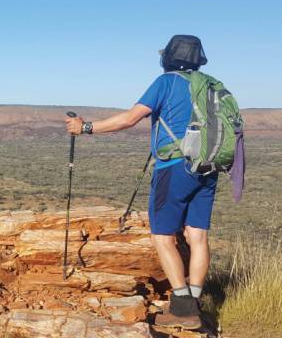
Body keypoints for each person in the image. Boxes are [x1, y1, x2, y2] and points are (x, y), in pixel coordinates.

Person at [65, 35, 215, 330]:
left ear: (168, 57)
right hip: (208, 167)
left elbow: (130, 119)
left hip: (174, 167)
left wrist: (85, 128)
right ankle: (195, 303)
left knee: (163, 237)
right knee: (197, 236)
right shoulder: (210, 85)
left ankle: (183, 309)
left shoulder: (166, 82)